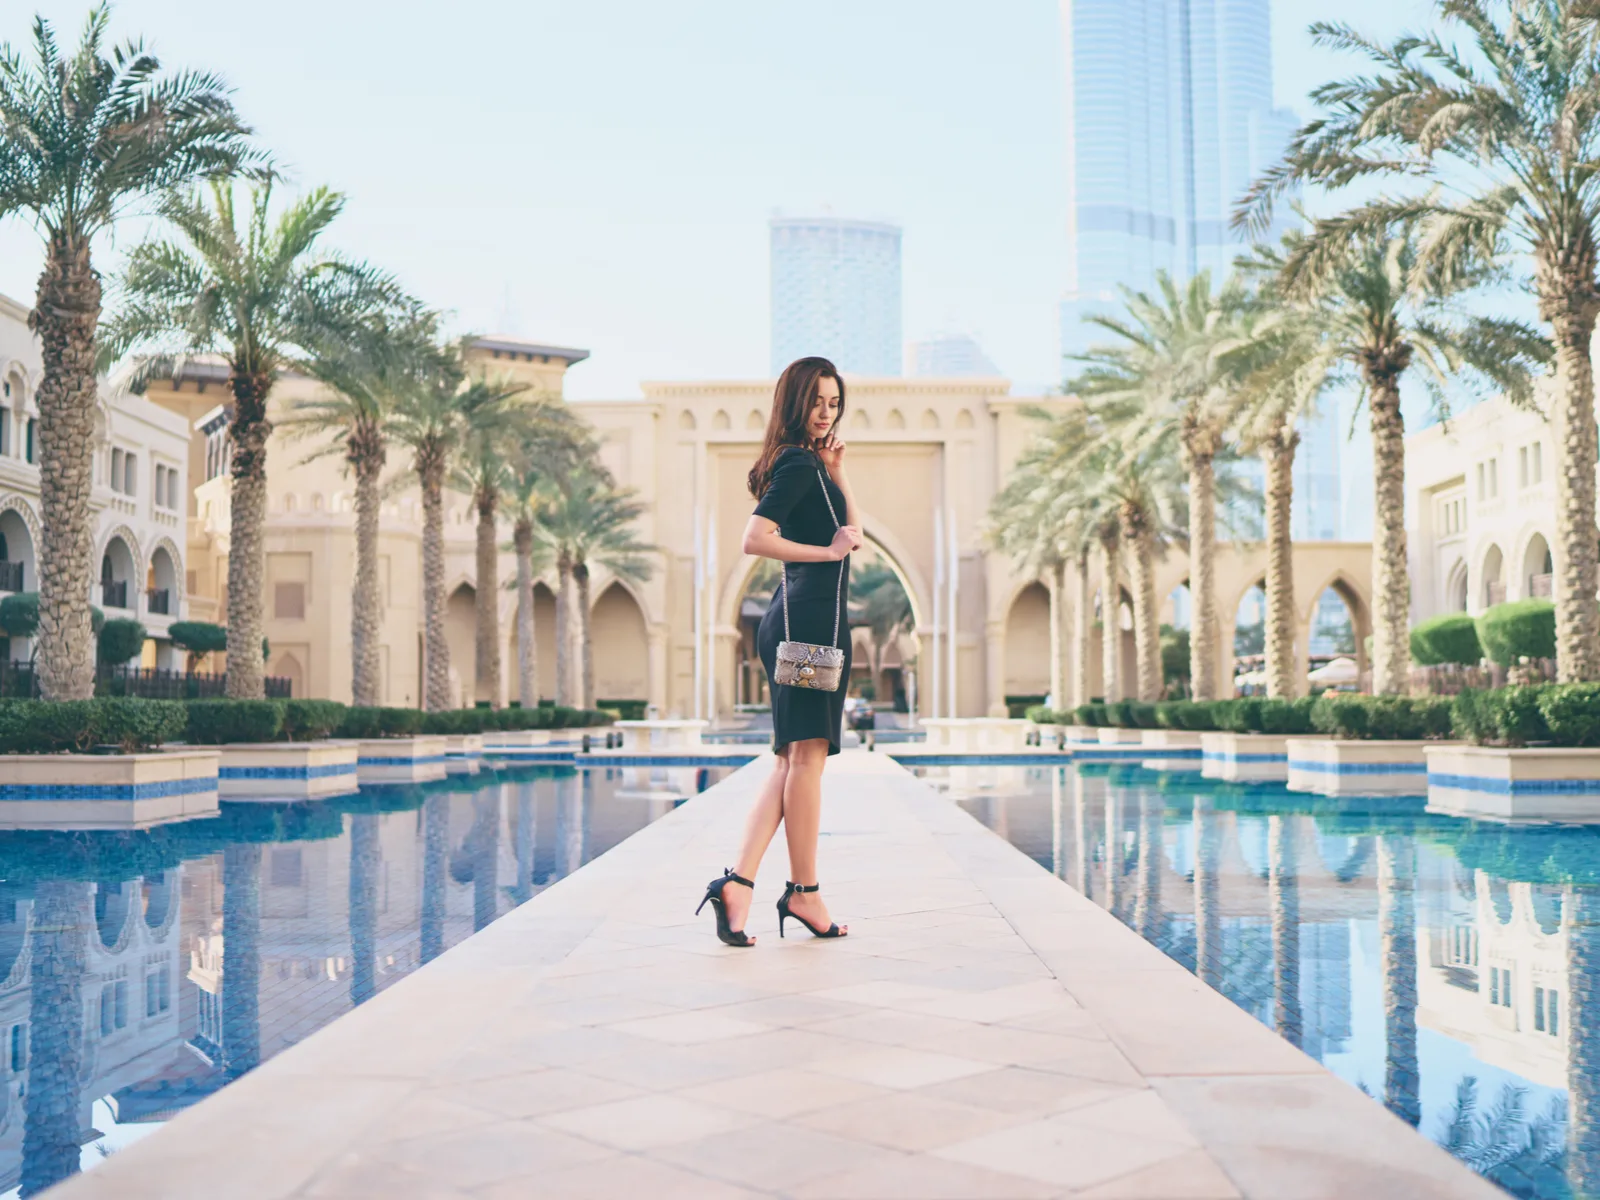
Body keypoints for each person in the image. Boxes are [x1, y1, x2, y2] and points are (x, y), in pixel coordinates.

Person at [695, 357, 861, 946]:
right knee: (806, 762)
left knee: (792, 761)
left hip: (807, 619)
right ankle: (804, 892)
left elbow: (852, 535)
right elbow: (755, 538)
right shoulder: (793, 463)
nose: (826, 412)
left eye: (834, 403)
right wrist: (827, 552)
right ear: (795, 403)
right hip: (807, 621)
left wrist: (839, 473)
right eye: (816, 401)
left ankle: (739, 885)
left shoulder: (814, 464)